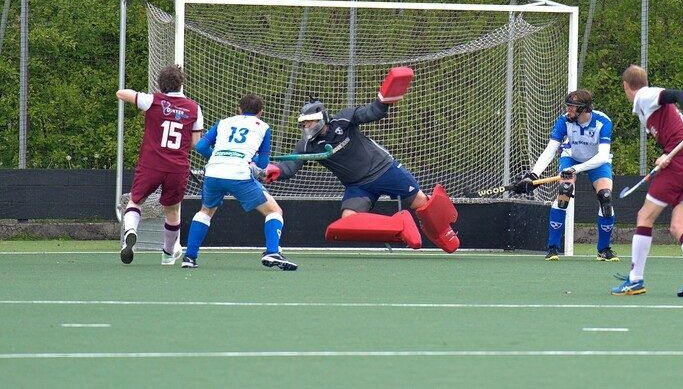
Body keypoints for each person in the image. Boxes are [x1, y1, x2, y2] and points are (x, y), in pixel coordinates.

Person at [261, 68, 460, 253]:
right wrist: (275, 170)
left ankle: (444, 234)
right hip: (358, 186)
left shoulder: (344, 120)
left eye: (309, 121)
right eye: (303, 123)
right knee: (349, 220)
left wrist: (384, 100)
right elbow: (290, 167)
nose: (306, 126)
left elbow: (372, 112)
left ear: (321, 118)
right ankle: (399, 225)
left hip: (385, 170)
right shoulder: (306, 145)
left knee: (421, 202)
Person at [612, 65, 683, 297]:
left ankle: (635, 280)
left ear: (626, 86)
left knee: (644, 217)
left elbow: (681, 95)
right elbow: (673, 136)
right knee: (678, 226)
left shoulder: (645, 95)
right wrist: (664, 156)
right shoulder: (646, 109)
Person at [182, 94, 297, 271]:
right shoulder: (264, 127)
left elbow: (201, 147)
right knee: (274, 211)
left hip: (213, 172)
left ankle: (189, 257)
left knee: (205, 211)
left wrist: (222, 157)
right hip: (239, 175)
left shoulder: (223, 122)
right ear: (261, 112)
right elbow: (263, 165)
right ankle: (272, 251)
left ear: (239, 109)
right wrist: (253, 162)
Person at [515, 89, 618, 262]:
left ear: (585, 109)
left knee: (605, 197)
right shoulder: (564, 121)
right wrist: (533, 175)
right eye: (568, 106)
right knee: (564, 190)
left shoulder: (603, 121)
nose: (568, 110)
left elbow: (602, 156)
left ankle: (604, 250)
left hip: (597, 162)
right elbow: (551, 149)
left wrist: (577, 169)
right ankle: (553, 248)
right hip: (570, 157)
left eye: (573, 107)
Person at [117, 64, 203, 265]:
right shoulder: (194, 108)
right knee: (172, 211)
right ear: (181, 83)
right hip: (177, 167)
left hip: (151, 164)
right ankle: (166, 254)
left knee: (135, 201)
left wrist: (143, 97)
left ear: (160, 84)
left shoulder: (153, 100)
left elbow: (121, 93)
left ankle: (130, 231)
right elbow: (195, 143)